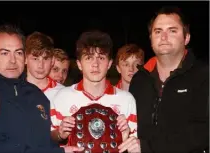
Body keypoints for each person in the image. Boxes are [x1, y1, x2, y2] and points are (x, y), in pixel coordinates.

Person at [0, 24, 83, 153]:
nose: (13, 60)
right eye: (4, 53)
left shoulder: (36, 94)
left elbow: (41, 143)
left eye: (19, 53)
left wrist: (63, 146)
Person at [120, 6, 209, 153]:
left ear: (186, 38)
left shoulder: (203, 76)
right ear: (151, 39)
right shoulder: (139, 80)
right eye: (158, 31)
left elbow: (204, 132)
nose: (164, 37)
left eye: (172, 31)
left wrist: (149, 147)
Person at [50, 30, 137, 152]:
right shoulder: (62, 97)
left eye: (101, 58)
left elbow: (134, 146)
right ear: (79, 64)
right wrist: (59, 134)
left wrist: (126, 137)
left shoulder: (127, 100)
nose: (95, 64)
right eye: (89, 58)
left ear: (109, 63)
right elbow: (48, 140)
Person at [25, 32, 64, 108]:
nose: (40, 65)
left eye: (45, 58)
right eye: (35, 59)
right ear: (25, 59)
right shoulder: (14, 92)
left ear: (52, 61)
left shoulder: (63, 93)